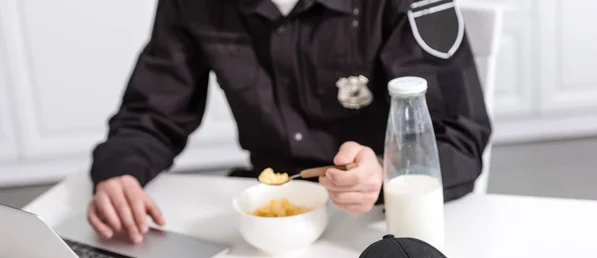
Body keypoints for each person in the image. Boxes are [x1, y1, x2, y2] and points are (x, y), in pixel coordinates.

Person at [88, 0, 492, 244]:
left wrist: (387, 174)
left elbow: (460, 136)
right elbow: (153, 112)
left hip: (380, 223)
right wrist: (120, 170)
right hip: (272, 218)